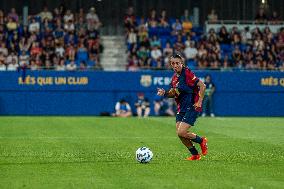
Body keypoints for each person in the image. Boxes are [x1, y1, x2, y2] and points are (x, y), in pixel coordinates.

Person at [157, 54, 208, 161]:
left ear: (182, 63)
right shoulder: (174, 78)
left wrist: (199, 101)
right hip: (181, 109)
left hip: (192, 106)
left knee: (181, 132)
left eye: (177, 63)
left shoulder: (187, 73)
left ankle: (201, 140)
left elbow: (203, 86)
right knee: (180, 134)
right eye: (172, 63)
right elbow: (173, 93)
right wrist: (165, 93)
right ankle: (195, 155)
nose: (175, 65)